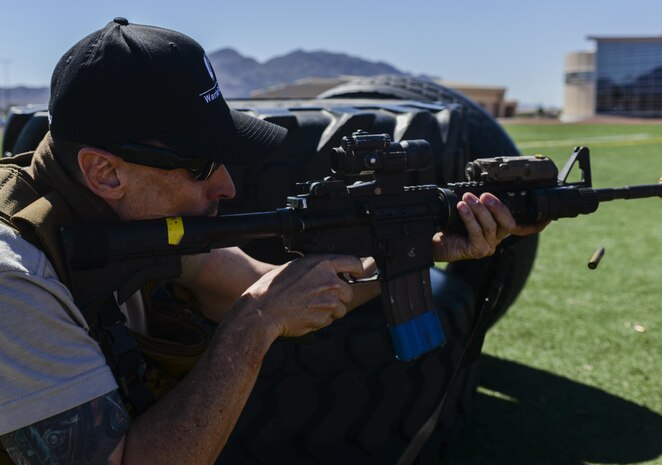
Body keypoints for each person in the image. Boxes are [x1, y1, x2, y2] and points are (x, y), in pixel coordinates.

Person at [0, 18, 546, 465]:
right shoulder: (15, 283)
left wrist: (421, 247)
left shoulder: (119, 215)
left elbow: (263, 287)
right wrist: (253, 328)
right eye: (202, 165)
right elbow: (257, 308)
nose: (228, 186)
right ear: (106, 173)